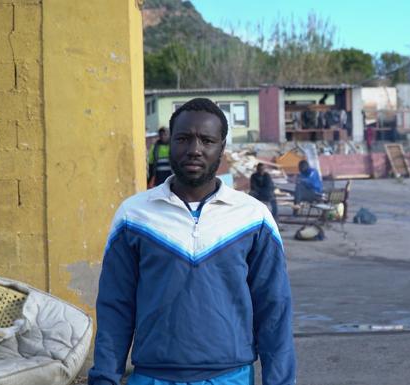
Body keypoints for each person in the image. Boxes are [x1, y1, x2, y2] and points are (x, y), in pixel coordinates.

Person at [89, 98, 296, 385]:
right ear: (169, 143)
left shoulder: (253, 217)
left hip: (230, 377)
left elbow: (274, 309)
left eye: (207, 140)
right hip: (152, 377)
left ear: (221, 148)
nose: (194, 149)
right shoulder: (134, 215)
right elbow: (116, 306)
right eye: (183, 139)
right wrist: (104, 378)